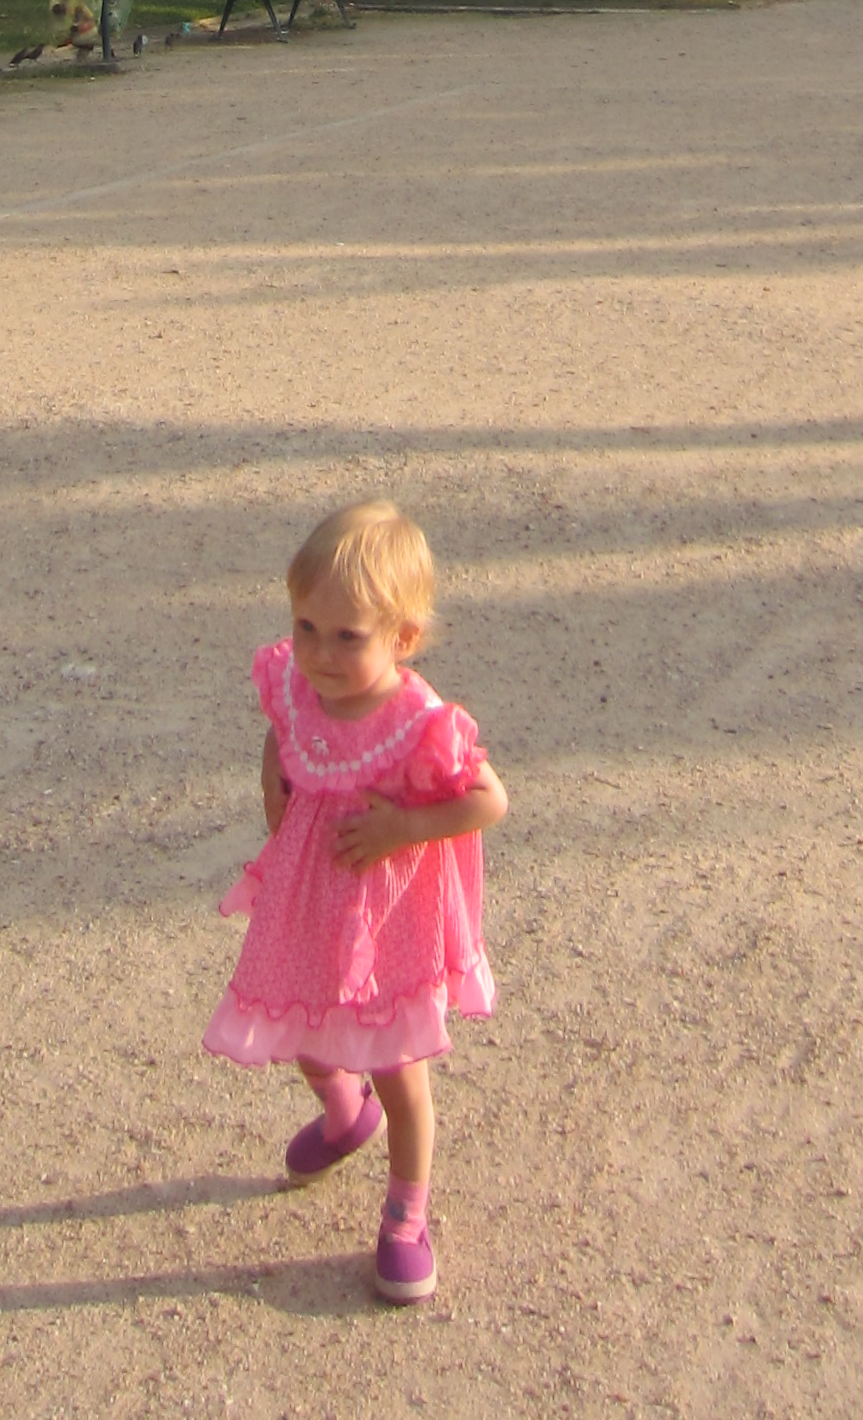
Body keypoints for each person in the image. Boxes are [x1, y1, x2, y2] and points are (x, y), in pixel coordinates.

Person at [206, 501, 508, 1306]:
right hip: (313, 902)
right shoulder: (298, 685)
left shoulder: (418, 720)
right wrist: (274, 785)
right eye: (306, 627)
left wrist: (403, 826)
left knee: (399, 1069)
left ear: (402, 638)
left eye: (347, 637)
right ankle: (345, 1115)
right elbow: (282, 732)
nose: (319, 653)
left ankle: (407, 1215)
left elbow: (489, 800)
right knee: (307, 1034)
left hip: (389, 919)